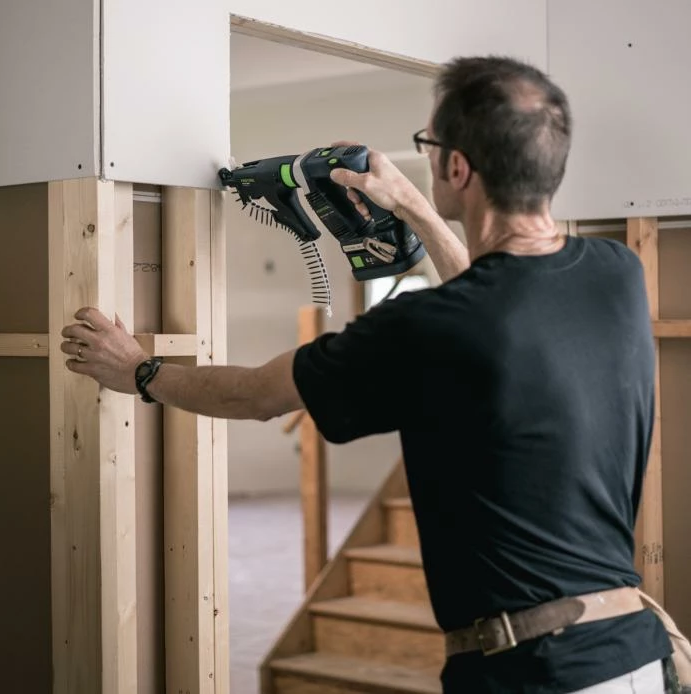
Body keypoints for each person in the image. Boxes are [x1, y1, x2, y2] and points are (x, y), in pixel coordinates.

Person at [61, 56, 673, 693]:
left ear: (457, 168)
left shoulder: (425, 326)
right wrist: (412, 207)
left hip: (533, 674)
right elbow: (500, 300)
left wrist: (138, 370)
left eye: (429, 145)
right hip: (635, 653)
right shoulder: (615, 274)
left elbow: (257, 395)